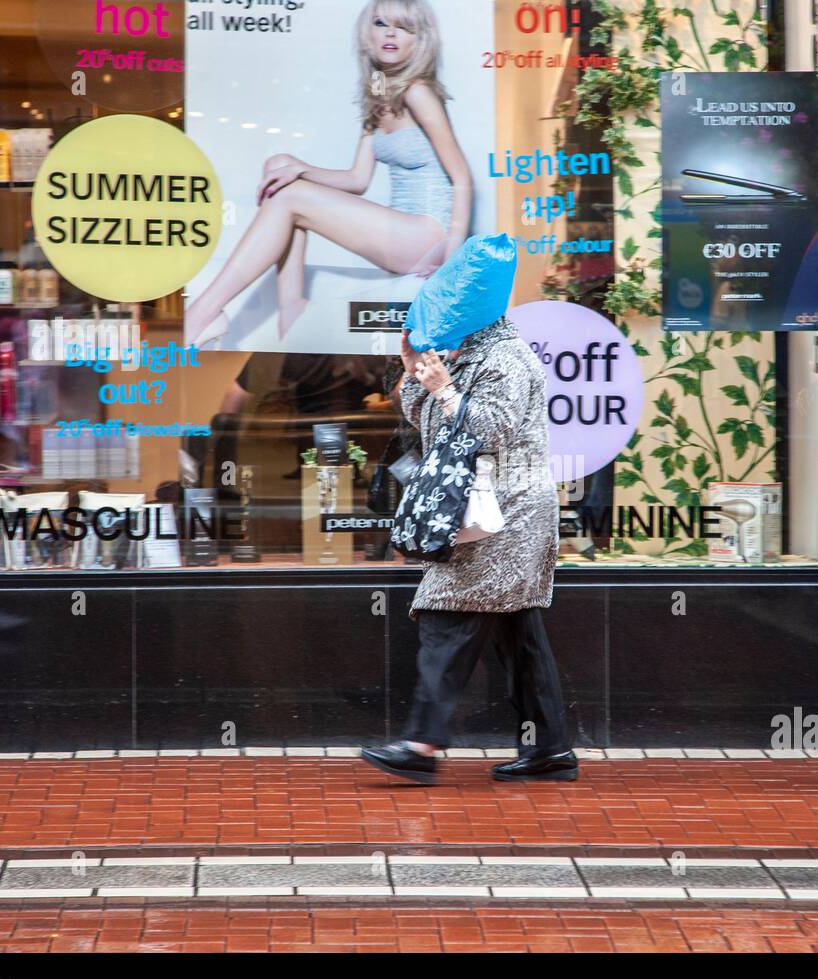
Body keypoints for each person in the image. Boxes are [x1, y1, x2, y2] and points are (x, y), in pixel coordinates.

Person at [184, 0, 474, 348]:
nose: (392, 33)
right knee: (279, 167)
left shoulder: (418, 93)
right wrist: (300, 167)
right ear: (367, 32)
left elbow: (462, 178)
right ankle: (291, 305)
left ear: (420, 39)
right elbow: (357, 179)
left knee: (290, 196)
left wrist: (449, 263)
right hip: (400, 229)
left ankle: (204, 312)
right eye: (382, 23)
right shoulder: (380, 92)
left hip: (427, 234)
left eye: (405, 27)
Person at [360, 320, 576, 785]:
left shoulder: (507, 358)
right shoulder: (469, 354)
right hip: (486, 510)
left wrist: (445, 386)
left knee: (447, 614)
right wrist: (416, 372)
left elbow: (489, 431)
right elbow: (435, 423)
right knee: (518, 632)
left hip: (508, 514)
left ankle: (422, 744)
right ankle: (549, 749)